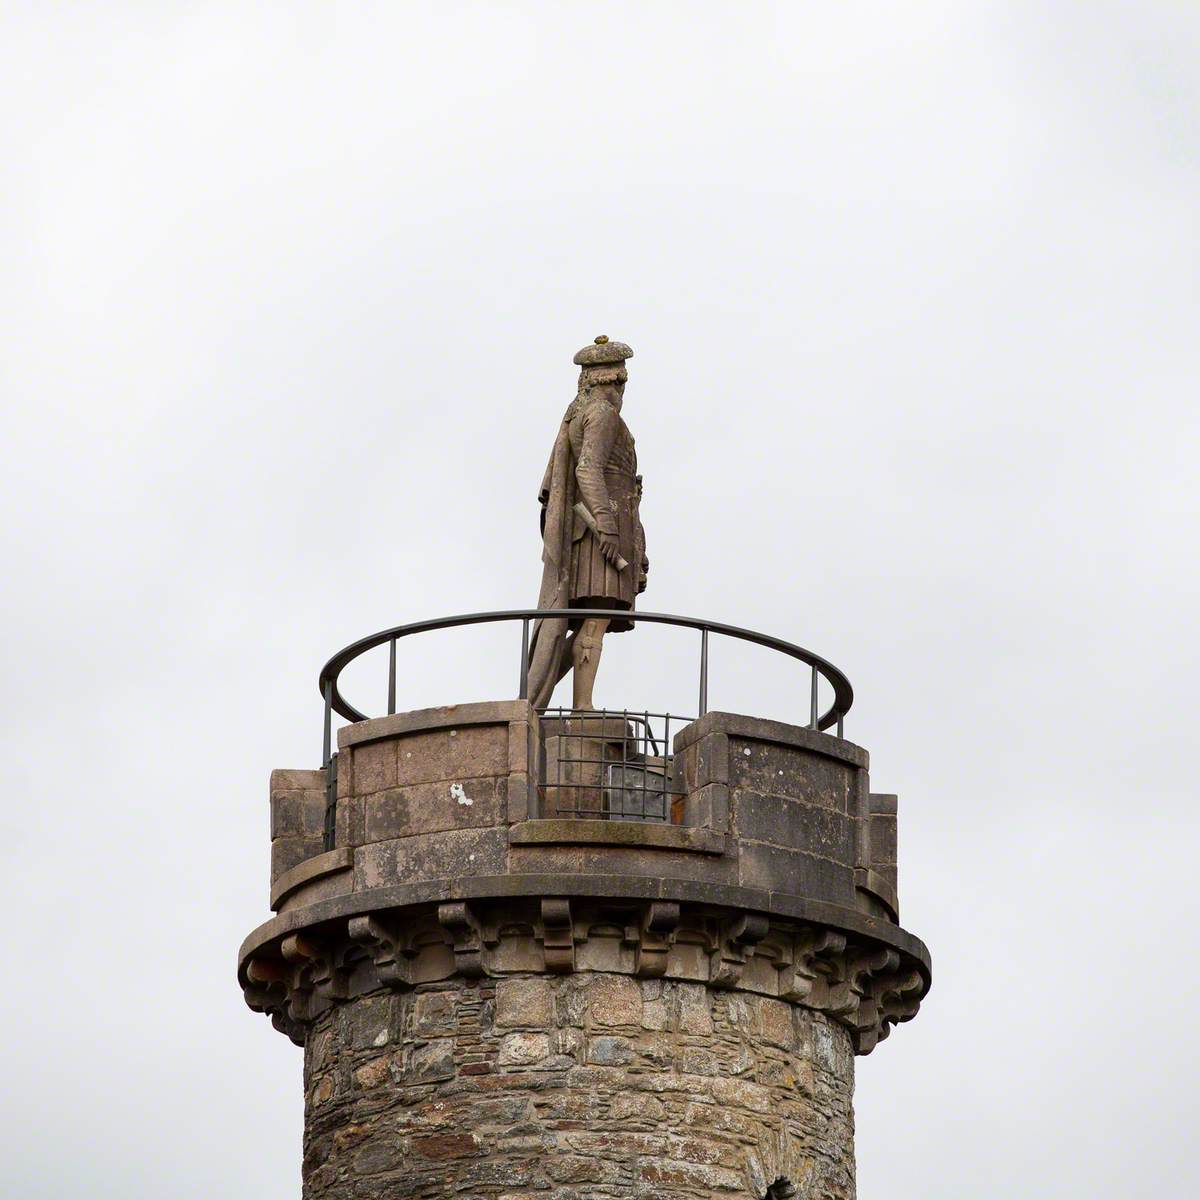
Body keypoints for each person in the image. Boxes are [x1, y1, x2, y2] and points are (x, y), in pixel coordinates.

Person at [526, 335, 649, 709]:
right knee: (595, 620)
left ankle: (533, 699)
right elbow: (588, 469)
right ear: (613, 381)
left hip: (601, 527)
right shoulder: (604, 413)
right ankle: (583, 707)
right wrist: (608, 526)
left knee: (586, 624)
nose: (622, 388)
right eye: (621, 381)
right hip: (601, 531)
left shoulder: (579, 413)